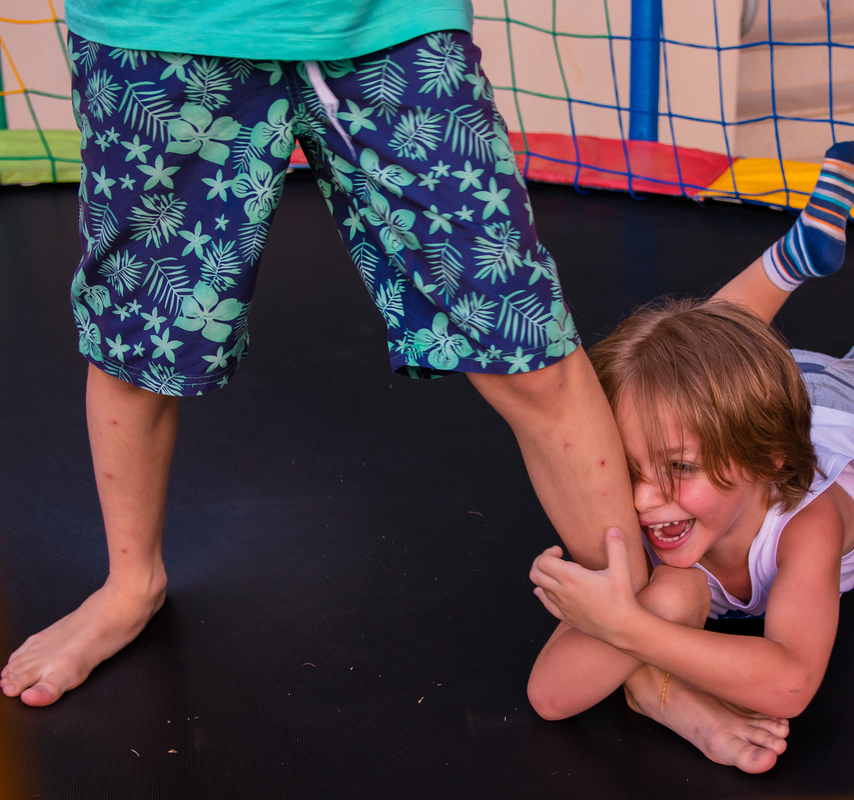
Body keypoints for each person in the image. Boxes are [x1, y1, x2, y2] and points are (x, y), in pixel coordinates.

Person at [0, 1, 646, 706]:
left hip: (387, 22)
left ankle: (639, 641)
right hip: (160, 29)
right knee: (137, 340)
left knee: (525, 340)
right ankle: (130, 587)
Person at [526, 142, 854, 773]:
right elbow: (549, 696)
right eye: (630, 468)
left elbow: (791, 681)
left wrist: (624, 627)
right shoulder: (682, 504)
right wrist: (632, 622)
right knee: (684, 361)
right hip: (749, 412)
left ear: (770, 460)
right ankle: (792, 257)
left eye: (678, 469)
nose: (642, 500)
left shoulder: (808, 525)